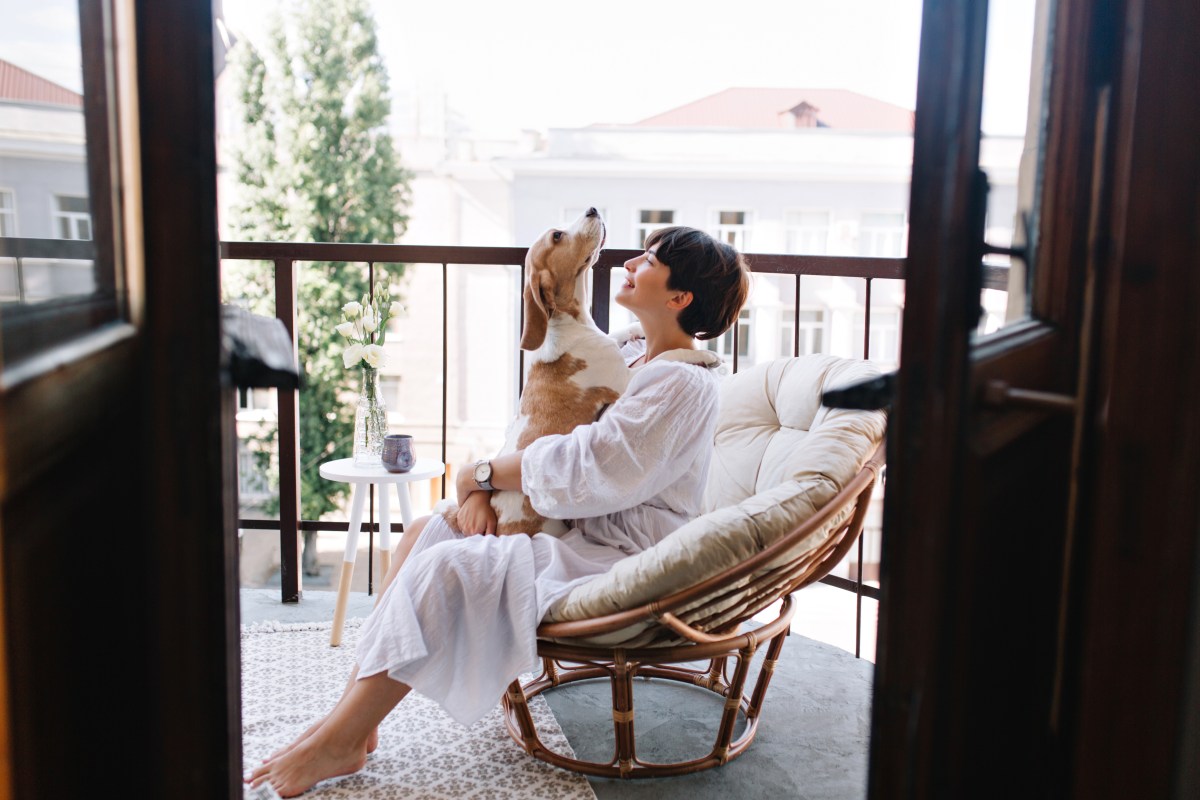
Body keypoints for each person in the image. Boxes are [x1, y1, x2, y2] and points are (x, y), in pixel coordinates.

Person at [248, 226, 751, 796]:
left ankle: (339, 737)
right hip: (574, 524)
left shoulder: (685, 382)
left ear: (680, 297)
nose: (632, 260)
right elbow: (546, 424)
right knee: (425, 533)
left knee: (449, 568)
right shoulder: (632, 353)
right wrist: (480, 490)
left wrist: (478, 474)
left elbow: (596, 467)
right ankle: (352, 721)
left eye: (652, 259)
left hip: (620, 552)